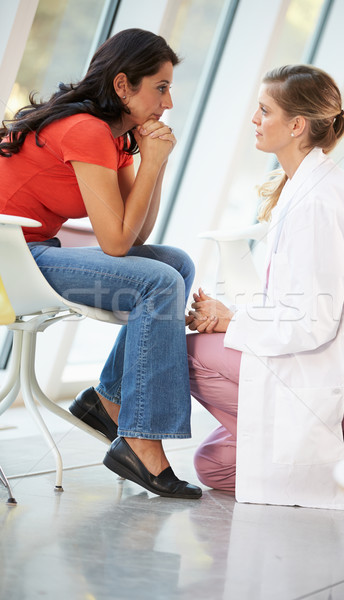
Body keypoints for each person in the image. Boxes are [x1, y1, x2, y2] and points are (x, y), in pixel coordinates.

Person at [186, 64, 344, 510]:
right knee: (212, 465)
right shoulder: (306, 187)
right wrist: (231, 316)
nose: (254, 120)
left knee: (185, 353)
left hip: (334, 386)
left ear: (297, 125)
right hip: (319, 364)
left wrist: (232, 319)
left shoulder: (319, 201)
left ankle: (316, 448)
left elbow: (313, 321)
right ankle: (280, 439)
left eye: (264, 111)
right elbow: (297, 299)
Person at [0, 28, 201, 499]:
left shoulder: (115, 136)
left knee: (176, 264)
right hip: (10, 263)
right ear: (123, 85)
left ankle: (109, 403)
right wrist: (150, 161)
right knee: (160, 282)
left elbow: (137, 235)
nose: (168, 103)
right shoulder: (87, 130)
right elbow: (115, 243)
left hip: (33, 252)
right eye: (161, 87)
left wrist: (156, 161)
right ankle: (140, 441)